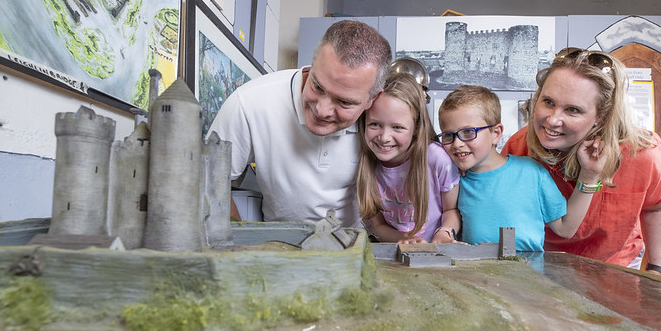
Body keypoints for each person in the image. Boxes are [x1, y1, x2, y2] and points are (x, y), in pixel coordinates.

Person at [501, 48, 661, 274]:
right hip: (541, 261)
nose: (552, 120)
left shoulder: (643, 157)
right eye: (548, 102)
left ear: (600, 117)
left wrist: (657, 269)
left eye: (572, 110)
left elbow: (658, 206)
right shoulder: (519, 147)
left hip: (614, 263)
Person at [208, 20, 392, 225]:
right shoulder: (248, 103)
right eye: (318, 87)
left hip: (353, 246)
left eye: (344, 102)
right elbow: (207, 183)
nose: (322, 110)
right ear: (312, 65)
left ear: (372, 100)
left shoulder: (382, 122)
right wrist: (237, 241)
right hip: (279, 245)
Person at [438, 85, 606, 252]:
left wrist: (589, 175)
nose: (457, 144)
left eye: (468, 132)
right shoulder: (454, 180)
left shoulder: (532, 172)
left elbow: (565, 228)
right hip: (475, 273)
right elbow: (450, 215)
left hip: (528, 272)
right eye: (448, 135)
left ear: (496, 133)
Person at [356, 72, 460, 244]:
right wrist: (405, 240)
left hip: (437, 252)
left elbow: (452, 210)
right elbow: (379, 226)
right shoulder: (367, 163)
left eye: (397, 127)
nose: (384, 137)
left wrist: (444, 233)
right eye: (375, 124)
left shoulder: (436, 158)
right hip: (392, 254)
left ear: (417, 127)